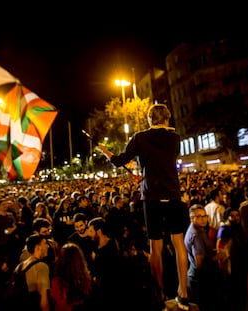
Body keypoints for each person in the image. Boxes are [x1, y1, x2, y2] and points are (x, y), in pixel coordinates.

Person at [97, 103, 190, 310]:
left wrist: (105, 152)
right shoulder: (175, 138)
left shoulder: (139, 137)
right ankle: (183, 292)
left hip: (152, 197)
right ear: (167, 118)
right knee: (178, 243)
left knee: (155, 248)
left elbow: (119, 161)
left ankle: (159, 293)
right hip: (173, 194)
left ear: (149, 120)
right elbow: (166, 160)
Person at [184, 204, 225, 311]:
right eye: (199, 216)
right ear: (191, 218)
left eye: (204, 216)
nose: (203, 219)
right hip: (202, 281)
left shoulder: (198, 229)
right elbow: (199, 263)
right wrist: (217, 257)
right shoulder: (196, 234)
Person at [50, 242, 93, 311]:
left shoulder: (56, 283)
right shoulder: (87, 279)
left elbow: (53, 301)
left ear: (61, 260)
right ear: (79, 260)